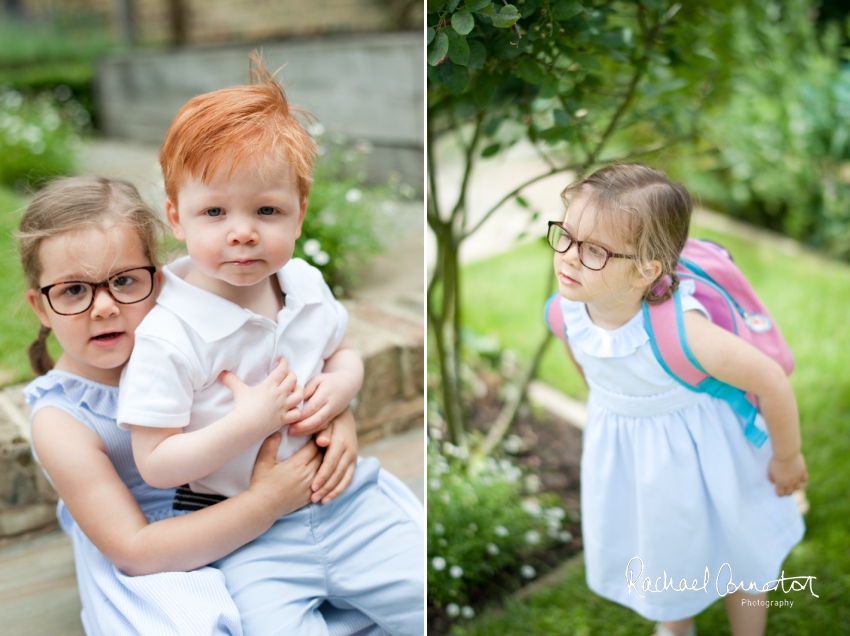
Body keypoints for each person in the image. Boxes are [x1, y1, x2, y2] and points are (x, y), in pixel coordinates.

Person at [19, 176, 419, 636]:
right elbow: (135, 549)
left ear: (162, 280)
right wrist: (265, 503)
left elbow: (294, 374)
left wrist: (334, 415)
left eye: (125, 280)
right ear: (41, 306)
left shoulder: (197, 341)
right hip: (160, 552)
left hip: (267, 514)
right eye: (73, 291)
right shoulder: (61, 420)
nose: (104, 307)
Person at [116, 55, 423, 636]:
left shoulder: (303, 284)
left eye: (267, 210)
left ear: (299, 214)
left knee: (419, 601)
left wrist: (339, 388)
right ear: (176, 217)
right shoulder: (170, 330)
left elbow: (341, 351)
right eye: (215, 211)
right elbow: (154, 463)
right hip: (243, 532)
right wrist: (248, 422)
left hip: (347, 504)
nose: (242, 230)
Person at [545, 163, 806, 636]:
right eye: (564, 235)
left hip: (713, 456)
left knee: (739, 546)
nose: (568, 256)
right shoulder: (565, 312)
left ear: (647, 270)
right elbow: (590, 369)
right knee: (663, 545)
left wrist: (788, 458)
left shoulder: (684, 332)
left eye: (595, 251)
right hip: (639, 463)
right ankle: (675, 626)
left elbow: (771, 382)